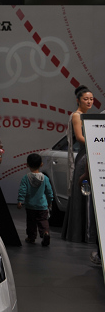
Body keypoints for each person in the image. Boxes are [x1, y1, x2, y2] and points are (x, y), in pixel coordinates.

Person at [61, 85, 97, 243]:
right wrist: (96, 142)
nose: (89, 101)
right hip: (84, 157)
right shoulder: (77, 115)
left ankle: (89, 233)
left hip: (91, 154)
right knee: (84, 193)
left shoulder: (86, 116)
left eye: (91, 99)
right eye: (86, 99)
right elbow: (80, 137)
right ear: (78, 100)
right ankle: (81, 234)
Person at [17, 153, 54, 246]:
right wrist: (50, 201)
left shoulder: (26, 178)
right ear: (41, 164)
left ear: (27, 164)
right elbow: (49, 191)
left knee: (31, 222)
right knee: (43, 220)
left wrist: (20, 201)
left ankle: (31, 237)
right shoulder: (45, 178)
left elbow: (22, 190)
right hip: (42, 205)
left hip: (30, 205)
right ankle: (45, 233)